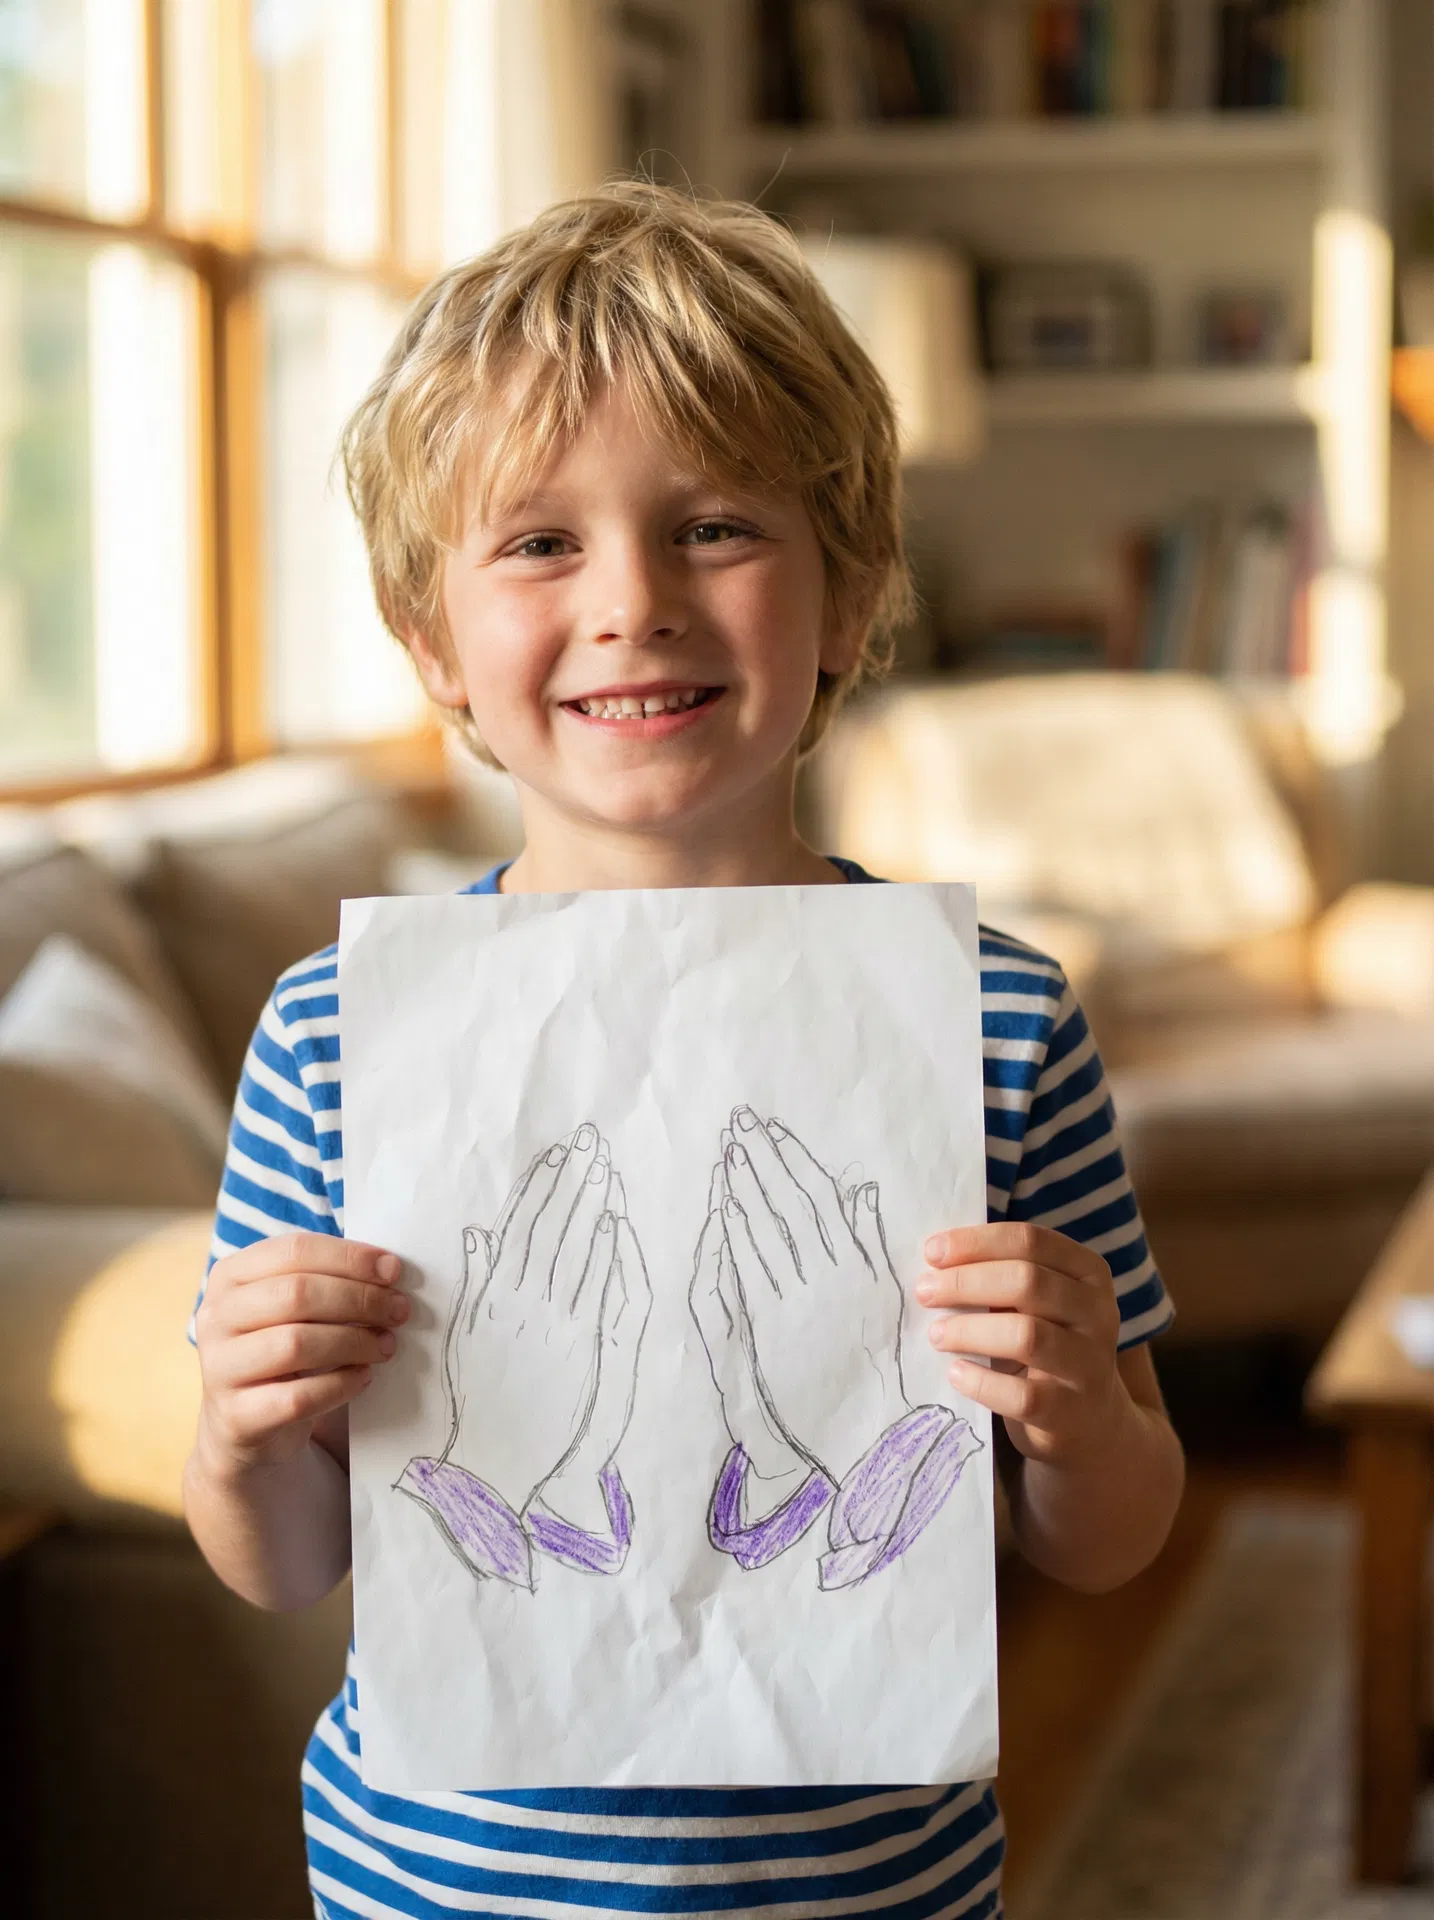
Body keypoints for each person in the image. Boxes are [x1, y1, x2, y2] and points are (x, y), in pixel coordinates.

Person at [184, 180, 1184, 1920]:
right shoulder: (337, 1034)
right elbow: (284, 1565)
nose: (631, 601)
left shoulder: (992, 1015)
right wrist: (239, 1431)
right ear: (431, 640)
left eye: (714, 526)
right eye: (536, 543)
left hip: (870, 1883)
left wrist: (1079, 1410)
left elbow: (1109, 1538)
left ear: (849, 595)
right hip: (438, 1883)